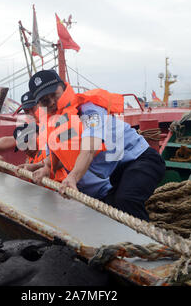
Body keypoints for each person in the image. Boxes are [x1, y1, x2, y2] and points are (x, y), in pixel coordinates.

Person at [29, 69, 166, 220]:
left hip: (140, 160)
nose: (53, 102)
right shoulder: (53, 123)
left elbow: (90, 149)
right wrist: (45, 168)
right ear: (39, 104)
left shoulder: (89, 111)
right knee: (105, 211)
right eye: (45, 101)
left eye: (54, 94)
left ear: (63, 87)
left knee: (126, 202)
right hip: (114, 172)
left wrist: (73, 177)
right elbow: (58, 154)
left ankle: (148, 242)